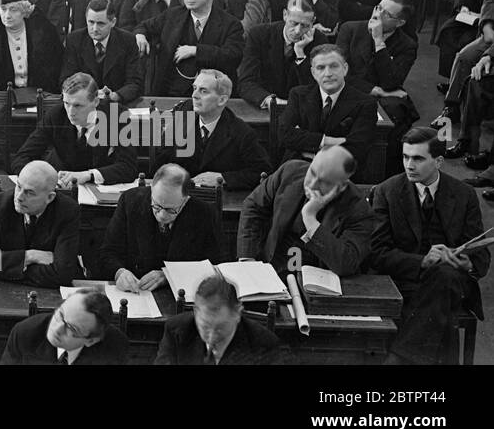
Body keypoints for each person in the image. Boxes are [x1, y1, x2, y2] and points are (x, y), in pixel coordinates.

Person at [371, 128, 491, 364]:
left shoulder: (464, 194)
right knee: (441, 305)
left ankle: (399, 358)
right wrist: (422, 261)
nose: (409, 165)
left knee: (445, 276)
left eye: (417, 158)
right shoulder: (388, 191)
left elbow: (481, 258)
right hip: (405, 280)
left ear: (438, 161)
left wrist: (466, 262)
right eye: (405, 157)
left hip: (452, 281)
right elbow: (377, 253)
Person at [238, 147, 375, 277]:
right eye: (313, 172)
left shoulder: (358, 209)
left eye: (324, 181)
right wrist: (247, 257)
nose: (312, 184)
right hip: (273, 268)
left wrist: (309, 218)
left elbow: (346, 264)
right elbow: (253, 206)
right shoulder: (290, 171)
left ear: (342, 185)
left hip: (319, 282)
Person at [97, 163, 225, 291]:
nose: (162, 215)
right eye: (157, 206)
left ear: (185, 199)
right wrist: (119, 272)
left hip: (177, 293)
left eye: (171, 210)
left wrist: (168, 275)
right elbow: (108, 252)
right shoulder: (130, 201)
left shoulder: (204, 214)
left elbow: (215, 267)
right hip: (135, 290)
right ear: (152, 190)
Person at [136, 0, 245, 99]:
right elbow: (144, 26)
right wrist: (140, 35)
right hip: (171, 94)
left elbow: (232, 56)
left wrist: (196, 51)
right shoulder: (173, 15)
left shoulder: (231, 24)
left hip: (213, 97)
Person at [155, 70, 270, 190]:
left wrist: (224, 178)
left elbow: (262, 171)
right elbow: (162, 159)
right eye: (194, 88)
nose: (194, 95)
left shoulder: (241, 132)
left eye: (203, 91)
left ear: (222, 100)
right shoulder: (183, 114)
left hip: (218, 198)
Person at [0, 159, 80, 286]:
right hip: (2, 292)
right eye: (18, 186)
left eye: (29, 192)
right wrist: (29, 256)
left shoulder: (67, 211)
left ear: (50, 198)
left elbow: (63, 273)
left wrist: (9, 268)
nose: (19, 197)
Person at [154, 274, 292, 364]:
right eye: (205, 327)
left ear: (237, 314)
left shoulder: (263, 343)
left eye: (220, 328)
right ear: (196, 312)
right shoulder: (176, 330)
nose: (212, 337)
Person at [278, 43, 378, 168]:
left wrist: (309, 149)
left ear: (345, 69)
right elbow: (284, 134)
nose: (328, 73)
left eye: (334, 66)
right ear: (313, 72)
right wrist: (326, 141)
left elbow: (358, 147)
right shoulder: (298, 95)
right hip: (298, 167)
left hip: (339, 170)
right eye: (320, 68)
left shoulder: (365, 103)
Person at [1, 290, 130, 365]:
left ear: (91, 340)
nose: (57, 329)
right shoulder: (25, 333)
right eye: (60, 314)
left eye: (72, 329)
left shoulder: (115, 346)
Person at [237, 0, 318, 108]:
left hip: (300, 109)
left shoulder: (318, 40)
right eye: (294, 23)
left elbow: (315, 86)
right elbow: (246, 81)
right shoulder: (259, 35)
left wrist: (300, 55)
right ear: (285, 15)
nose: (297, 31)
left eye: (305, 26)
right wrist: (269, 100)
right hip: (265, 105)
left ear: (313, 21)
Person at [59, 0, 143, 106]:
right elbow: (66, 80)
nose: (94, 29)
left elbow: (135, 82)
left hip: (116, 106)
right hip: (83, 104)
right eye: (91, 22)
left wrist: (115, 95)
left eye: (100, 24)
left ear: (113, 22)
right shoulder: (74, 40)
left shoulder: (127, 41)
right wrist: (89, 94)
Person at [0, 0, 64, 91]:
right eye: (3, 9)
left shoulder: (43, 32)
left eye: (13, 10)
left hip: (38, 93)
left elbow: (55, 67)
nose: (7, 16)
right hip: (4, 95)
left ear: (24, 11)